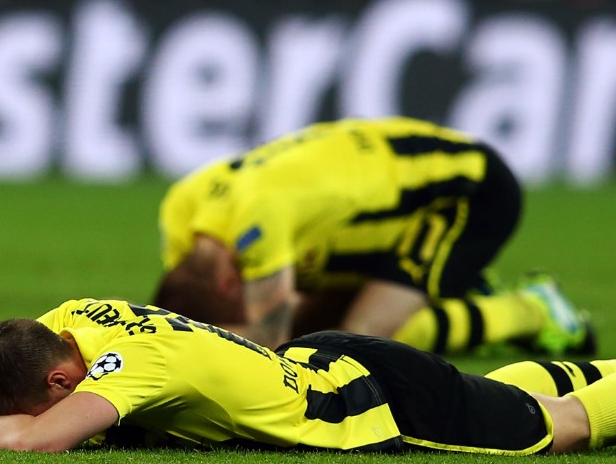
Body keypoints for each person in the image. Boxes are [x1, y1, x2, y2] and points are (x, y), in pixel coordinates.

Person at [0, 298, 616, 455]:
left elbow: (36, 436)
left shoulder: (126, 371)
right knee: (516, 397)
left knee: (556, 429)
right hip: (329, 360)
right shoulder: (71, 318)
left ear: (60, 381)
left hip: (365, 402)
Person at [152, 116, 592, 356]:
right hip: (378, 215)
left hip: (466, 193)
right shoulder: (181, 212)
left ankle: (532, 311)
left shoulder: (258, 220)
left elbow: (268, 348)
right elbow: (191, 313)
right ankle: (454, 291)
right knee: (315, 332)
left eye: (240, 301)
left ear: (230, 283)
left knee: (356, 346)